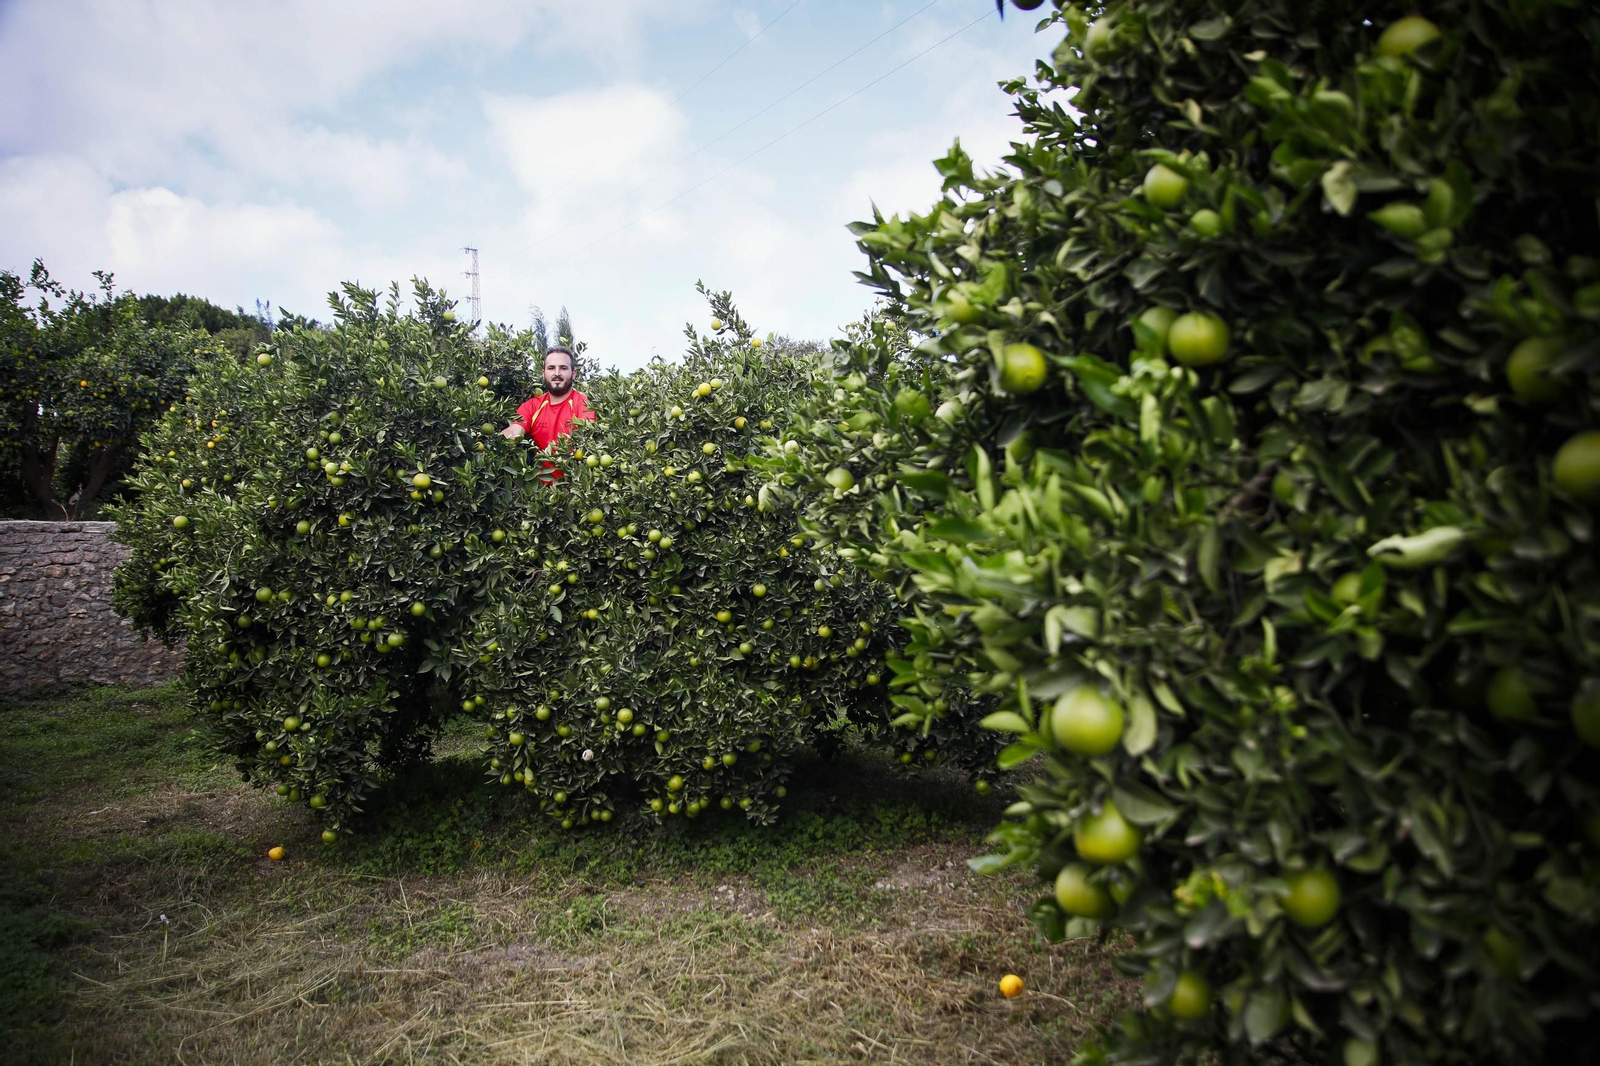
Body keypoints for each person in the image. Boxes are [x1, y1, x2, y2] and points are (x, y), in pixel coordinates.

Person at [502, 345, 596, 482]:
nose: (557, 373)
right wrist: (495, 442)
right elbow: (515, 429)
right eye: (551, 368)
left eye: (563, 368)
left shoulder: (583, 403)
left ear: (573, 373)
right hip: (541, 495)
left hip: (578, 492)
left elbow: (588, 431)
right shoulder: (532, 406)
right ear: (543, 373)